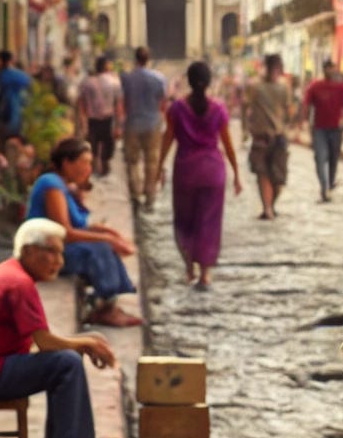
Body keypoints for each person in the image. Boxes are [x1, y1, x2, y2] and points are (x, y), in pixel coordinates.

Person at [0, 218, 118, 438]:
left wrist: (86, 341)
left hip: (4, 363)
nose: (59, 261)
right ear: (29, 251)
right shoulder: (19, 283)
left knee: (63, 361)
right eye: (50, 252)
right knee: (66, 363)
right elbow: (45, 342)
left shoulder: (10, 272)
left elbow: (42, 340)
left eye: (60, 253)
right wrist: (86, 343)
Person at [27, 137, 141, 328]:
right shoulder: (51, 185)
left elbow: (76, 226)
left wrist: (104, 232)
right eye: (85, 162)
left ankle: (108, 303)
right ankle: (105, 308)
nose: (89, 168)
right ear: (67, 163)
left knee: (104, 244)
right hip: (43, 254)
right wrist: (106, 239)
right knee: (100, 249)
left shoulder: (62, 185)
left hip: (56, 249)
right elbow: (65, 232)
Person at [156, 61, 241, 289]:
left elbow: (167, 139)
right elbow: (228, 144)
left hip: (186, 170)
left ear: (189, 81)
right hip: (213, 171)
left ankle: (189, 269)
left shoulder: (177, 109)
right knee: (209, 223)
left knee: (185, 221)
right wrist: (236, 172)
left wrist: (158, 167)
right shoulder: (219, 109)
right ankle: (205, 273)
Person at [241, 53, 291, 220]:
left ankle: (270, 205)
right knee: (262, 173)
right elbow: (245, 105)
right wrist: (246, 128)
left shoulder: (284, 87)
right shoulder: (255, 87)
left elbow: (289, 110)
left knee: (279, 179)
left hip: (279, 137)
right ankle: (267, 208)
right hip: (260, 136)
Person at [119, 47, 167, 209]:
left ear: (135, 59)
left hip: (132, 122)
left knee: (132, 160)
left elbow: (122, 101)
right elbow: (163, 102)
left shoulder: (126, 78)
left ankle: (135, 194)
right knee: (152, 160)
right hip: (153, 123)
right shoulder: (159, 78)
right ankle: (150, 194)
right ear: (148, 59)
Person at [302, 60, 343, 202]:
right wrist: (304, 123)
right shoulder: (315, 86)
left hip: (336, 128)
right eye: (328, 68)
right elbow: (307, 104)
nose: (331, 71)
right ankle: (324, 188)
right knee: (320, 158)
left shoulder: (340, 88)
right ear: (324, 70)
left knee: (333, 159)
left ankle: (329, 184)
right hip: (319, 129)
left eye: (333, 68)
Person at [76, 56, 123, 177]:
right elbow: (118, 105)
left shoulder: (86, 82)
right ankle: (104, 164)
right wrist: (118, 125)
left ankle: (95, 166)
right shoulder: (114, 81)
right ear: (106, 67)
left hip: (93, 120)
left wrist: (83, 122)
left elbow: (81, 104)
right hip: (108, 119)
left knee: (93, 145)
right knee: (108, 143)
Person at [0, 50, 32, 142]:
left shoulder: (3, 76)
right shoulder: (21, 75)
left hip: (8, 118)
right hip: (19, 117)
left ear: (1, 61)